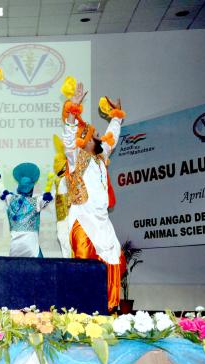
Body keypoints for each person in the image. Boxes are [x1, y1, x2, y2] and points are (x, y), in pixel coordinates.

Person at [61, 79, 126, 310]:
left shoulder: (101, 156)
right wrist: (72, 110)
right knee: (85, 266)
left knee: (112, 260)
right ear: (86, 139)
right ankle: (82, 313)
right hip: (83, 219)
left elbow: (112, 136)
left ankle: (106, 314)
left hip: (102, 221)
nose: (101, 137)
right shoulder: (75, 158)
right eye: (96, 135)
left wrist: (116, 117)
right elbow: (68, 139)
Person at [0, 162, 53, 257]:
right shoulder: (36, 201)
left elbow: (1, 190)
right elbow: (47, 198)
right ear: (31, 188)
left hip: (15, 247)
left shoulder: (10, 199)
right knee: (39, 269)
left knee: (14, 269)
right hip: (31, 246)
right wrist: (49, 186)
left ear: (19, 187)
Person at [52, 135, 72, 258]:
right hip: (61, 219)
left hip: (69, 218)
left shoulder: (68, 179)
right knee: (63, 241)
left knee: (69, 245)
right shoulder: (57, 181)